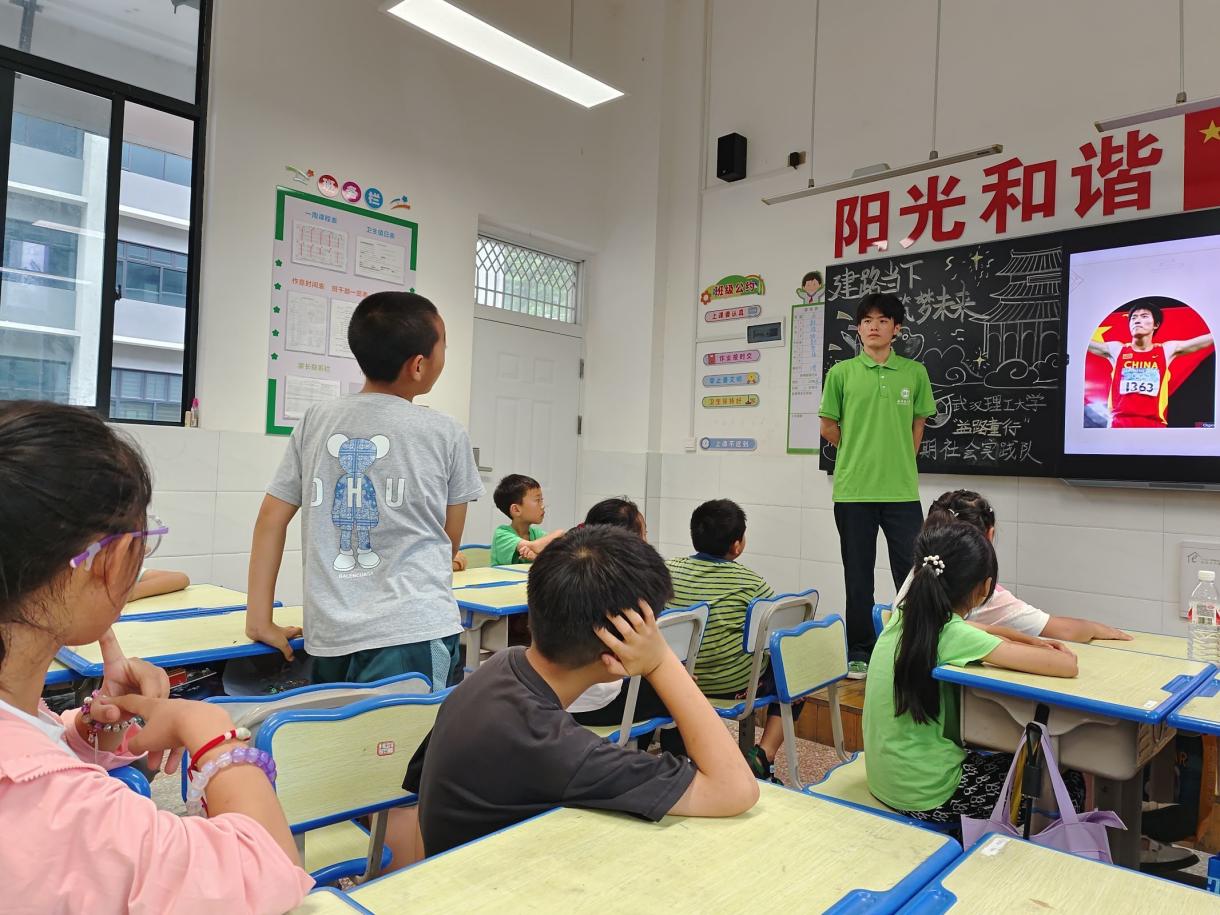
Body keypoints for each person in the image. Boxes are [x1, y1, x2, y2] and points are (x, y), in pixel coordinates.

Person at [0, 401, 310, 912]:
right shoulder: (60, 810)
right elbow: (265, 874)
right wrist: (212, 733)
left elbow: (26, 743)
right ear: (111, 556)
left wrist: (82, 732)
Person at [403, 525, 759, 857]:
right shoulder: (555, 747)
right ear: (618, 649)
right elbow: (735, 789)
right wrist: (659, 661)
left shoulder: (500, 666)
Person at [246, 291, 483, 688]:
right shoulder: (446, 432)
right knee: (411, 732)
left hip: (330, 635)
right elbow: (449, 539)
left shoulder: (316, 421)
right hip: (414, 630)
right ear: (419, 365)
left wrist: (259, 618)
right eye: (444, 345)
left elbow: (271, 518)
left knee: (340, 730)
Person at [863, 522, 1084, 826]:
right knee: (1066, 781)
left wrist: (1026, 639)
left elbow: (978, 629)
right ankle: (1024, 854)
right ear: (984, 588)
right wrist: (1043, 648)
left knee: (1013, 762)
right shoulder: (953, 635)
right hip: (929, 794)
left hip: (886, 780)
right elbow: (1066, 666)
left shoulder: (904, 617)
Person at [819, 292, 936, 678]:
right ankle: (860, 651)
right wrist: (859, 449)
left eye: (883, 320)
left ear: (896, 329)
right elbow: (828, 426)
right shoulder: (841, 373)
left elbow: (918, 425)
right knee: (858, 576)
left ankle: (912, 647)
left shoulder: (914, 373)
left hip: (901, 491)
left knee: (913, 574)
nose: (874, 327)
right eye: (867, 321)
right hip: (853, 491)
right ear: (858, 328)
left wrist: (898, 458)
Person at [892, 490, 1133, 643]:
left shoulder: (924, 571)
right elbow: (1066, 634)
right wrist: (1095, 629)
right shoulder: (982, 595)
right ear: (988, 536)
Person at [665, 499, 793, 780]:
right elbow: (778, 633)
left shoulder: (668, 570)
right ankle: (764, 755)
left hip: (676, 680)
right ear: (737, 546)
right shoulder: (751, 583)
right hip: (731, 686)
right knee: (794, 668)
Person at [568, 498, 672, 742]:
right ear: (630, 543)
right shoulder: (632, 591)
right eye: (643, 534)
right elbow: (637, 660)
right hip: (599, 703)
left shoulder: (564, 575)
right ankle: (674, 762)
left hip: (556, 699)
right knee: (674, 694)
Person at [1088, 299, 1214, 428]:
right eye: (1133, 318)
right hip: (1119, 424)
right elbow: (1084, 343)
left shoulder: (1166, 350)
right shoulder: (1117, 350)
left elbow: (1204, 341)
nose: (1137, 321)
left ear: (1156, 324)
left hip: (1153, 425)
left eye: (1144, 316)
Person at [489, 473, 565, 565]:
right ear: (516, 509)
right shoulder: (501, 534)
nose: (543, 506)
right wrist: (559, 533)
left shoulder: (537, 534)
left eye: (542, 500)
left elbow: (557, 558)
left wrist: (536, 557)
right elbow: (536, 546)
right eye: (537, 500)